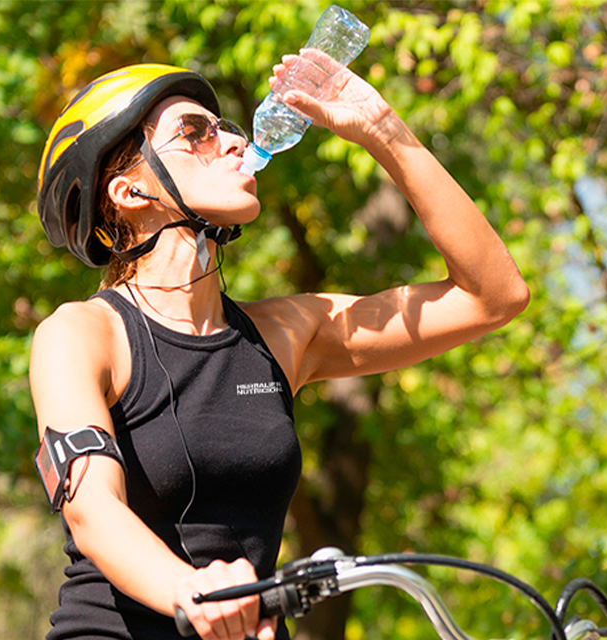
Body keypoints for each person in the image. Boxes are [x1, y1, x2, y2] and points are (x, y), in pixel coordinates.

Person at [30, 55, 528, 640]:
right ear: (130, 190)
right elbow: (92, 511)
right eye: (194, 133)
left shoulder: (286, 334)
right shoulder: (83, 333)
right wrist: (190, 591)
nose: (233, 143)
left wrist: (381, 127)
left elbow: (493, 296)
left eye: (226, 128)